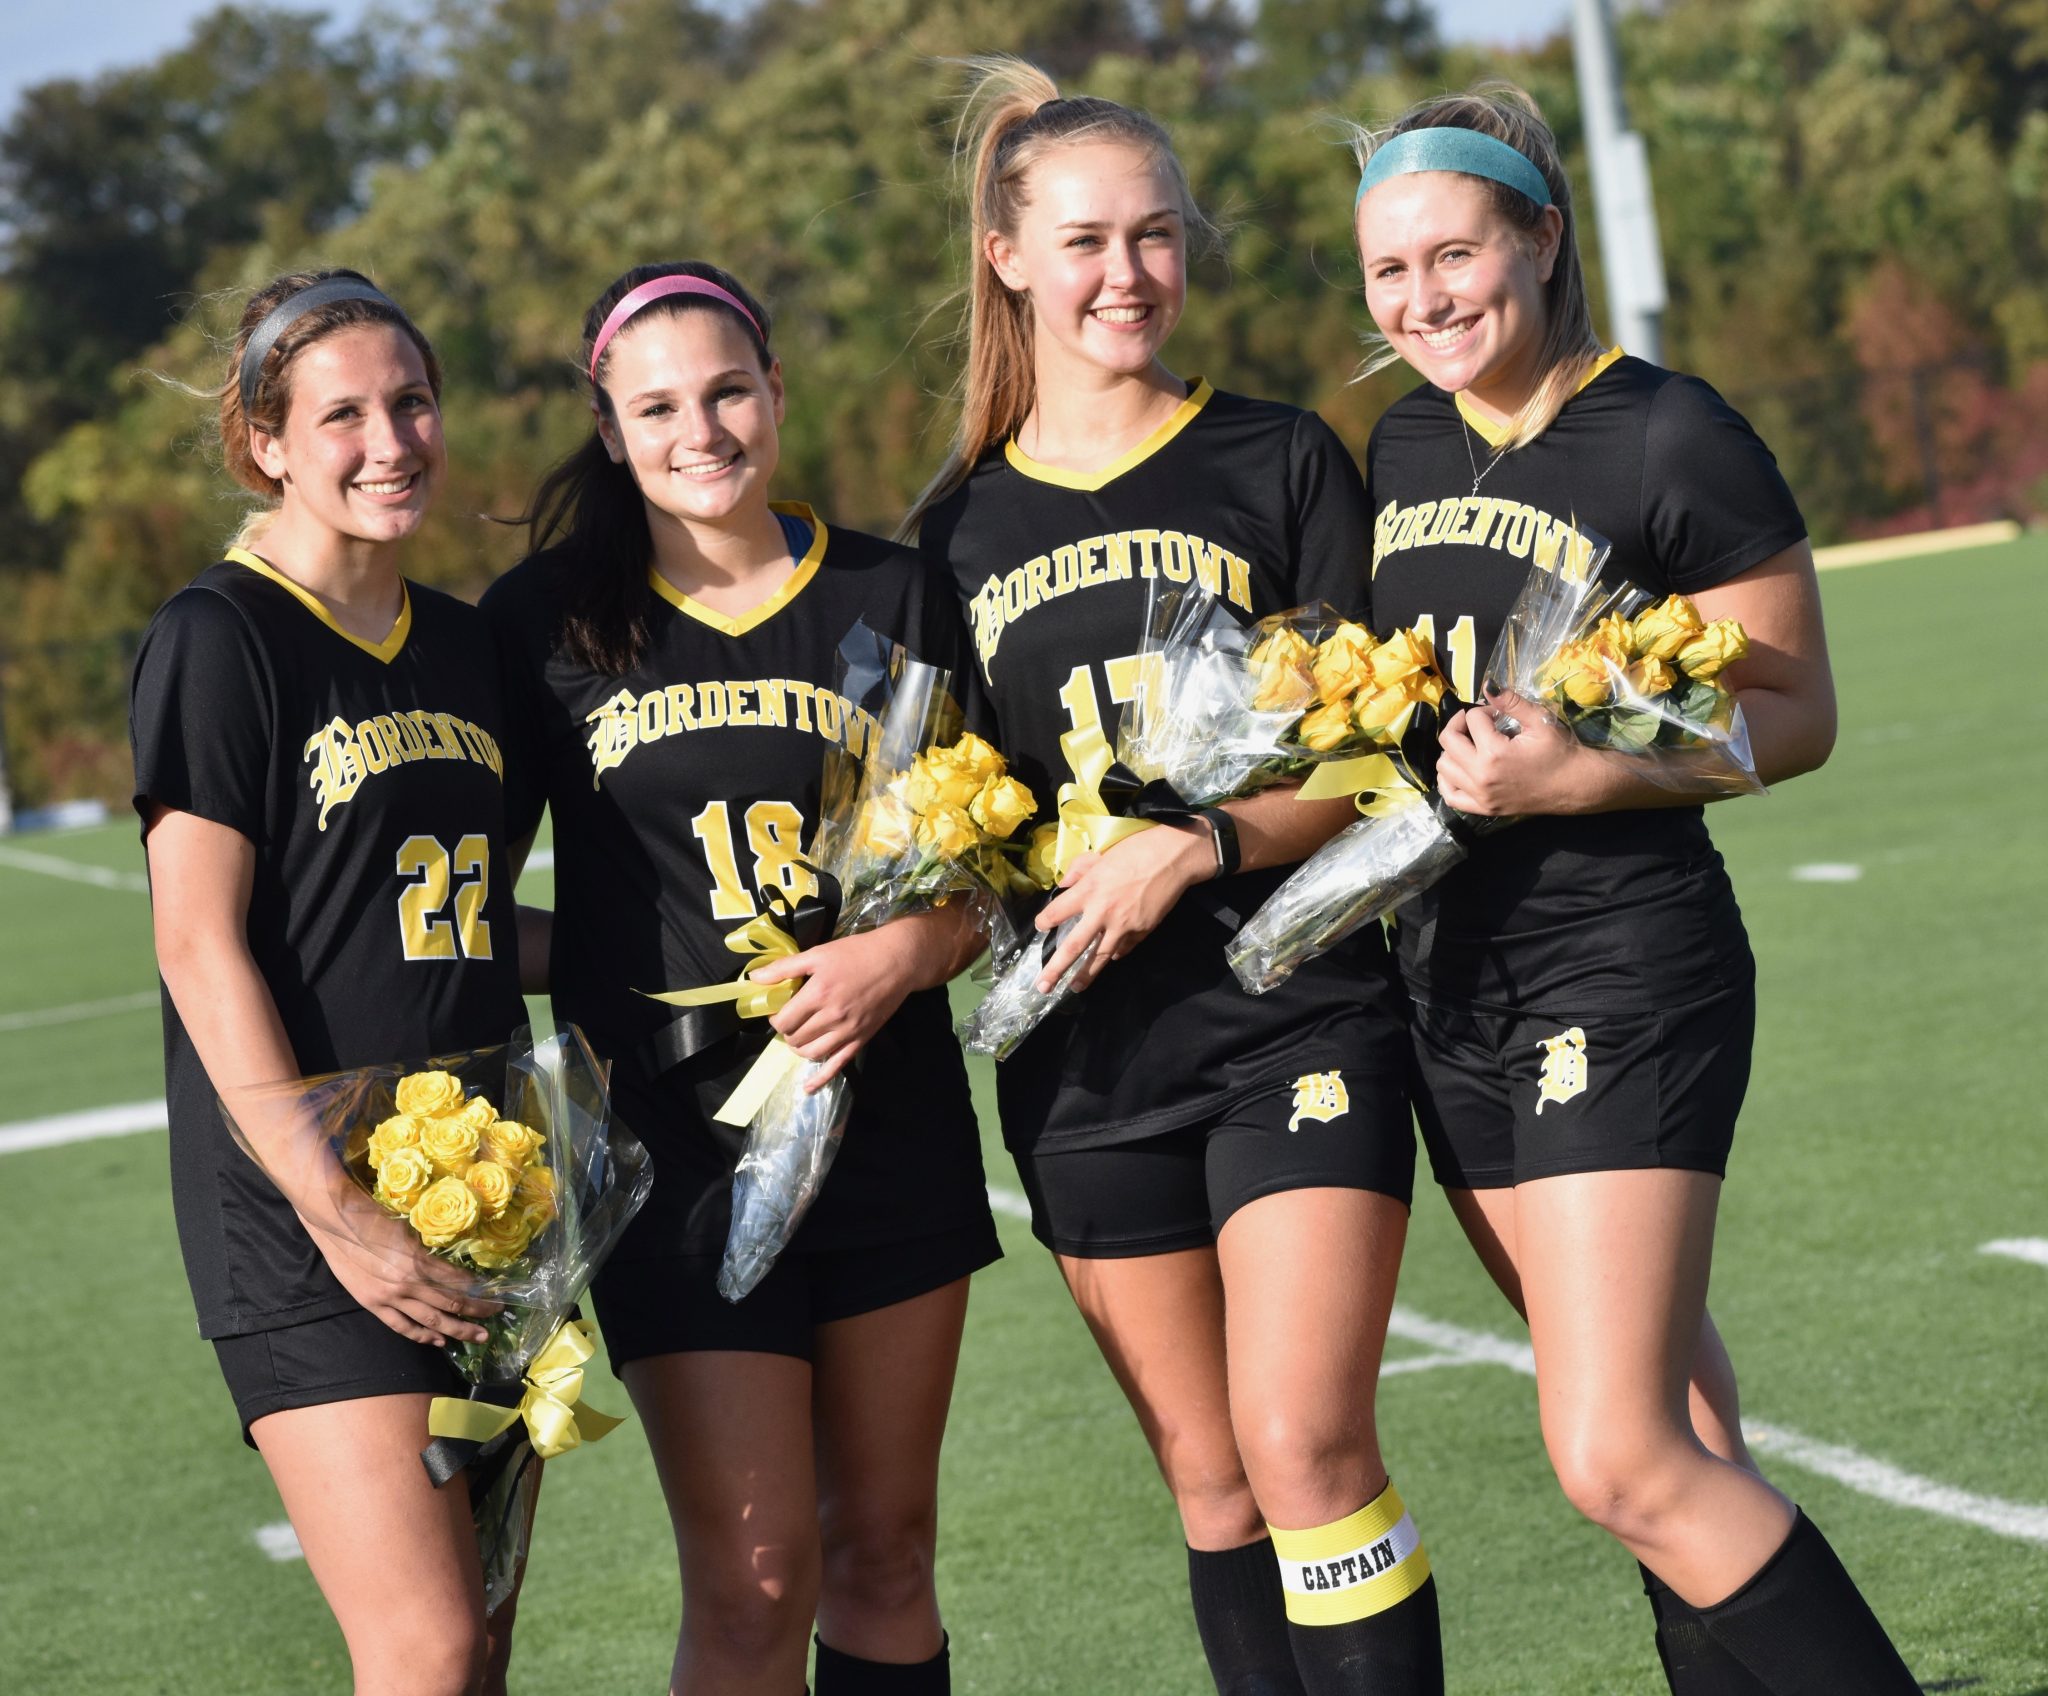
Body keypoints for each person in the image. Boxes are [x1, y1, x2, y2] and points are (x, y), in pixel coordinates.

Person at [1350, 85, 1919, 1694]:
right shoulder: (1401, 441)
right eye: (1389, 273)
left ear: (1540, 237)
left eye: (1454, 254)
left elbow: (1798, 714)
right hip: (1451, 982)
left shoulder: (1670, 430)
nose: (1424, 300)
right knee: (1671, 1424)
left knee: (1611, 1454)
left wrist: (1580, 775)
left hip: (1622, 966)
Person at [908, 61, 1443, 1694]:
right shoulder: (951, 534)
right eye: (1083, 241)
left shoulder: (1283, 461)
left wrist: (1196, 846)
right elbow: (949, 825)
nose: (1124, 274)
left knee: (1302, 1442)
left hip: (1296, 1014)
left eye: (1154, 236)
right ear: (1007, 257)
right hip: (1088, 1062)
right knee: (1211, 1484)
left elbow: (1376, 770)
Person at [480, 261, 1000, 1696]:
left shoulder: (894, 587)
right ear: (608, 429)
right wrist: (610, 970)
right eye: (657, 407)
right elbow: (463, 899)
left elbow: (988, 876)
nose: (700, 429)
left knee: (887, 1549)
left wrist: (900, 953)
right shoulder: (545, 629)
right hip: (673, 1149)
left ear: (776, 392)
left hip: (885, 1118)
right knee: (759, 1577)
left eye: (726, 391)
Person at [131, 269, 534, 1695]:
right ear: (267, 442)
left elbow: (470, 923)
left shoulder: (474, 648)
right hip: (307, 1223)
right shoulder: (222, 635)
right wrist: (337, 1207)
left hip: (484, 1203)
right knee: (420, 1647)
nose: (390, 441)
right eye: (344, 413)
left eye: (412, 403)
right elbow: (197, 940)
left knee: (476, 1643)